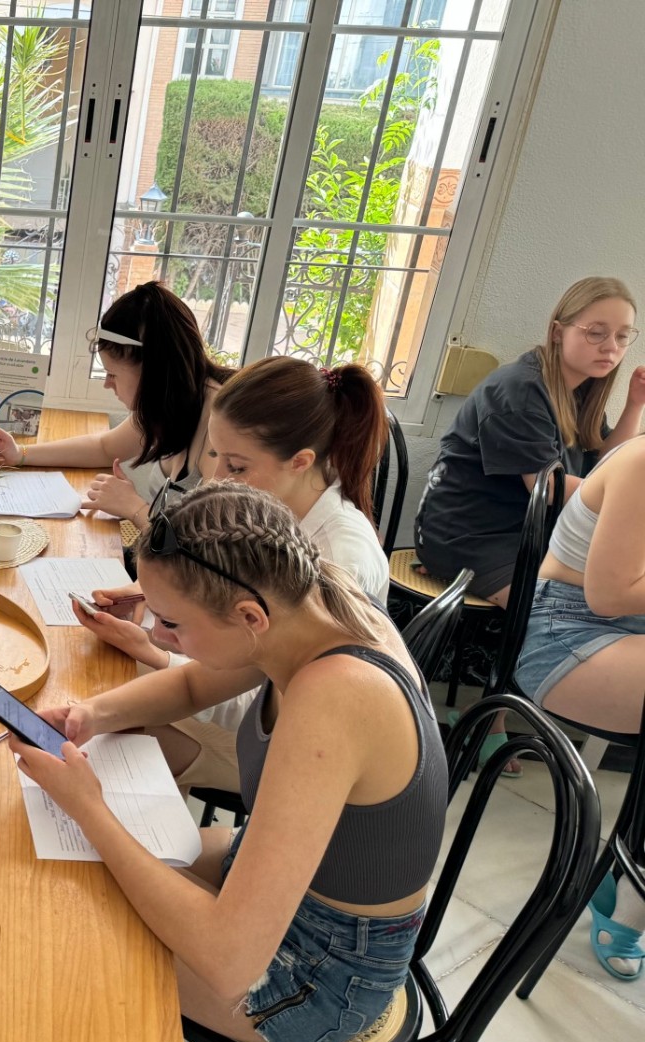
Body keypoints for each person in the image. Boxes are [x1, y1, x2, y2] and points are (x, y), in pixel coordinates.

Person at [0, 482, 447, 1042]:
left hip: (324, 974)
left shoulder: (334, 699)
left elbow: (228, 959)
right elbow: (192, 683)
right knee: (83, 871)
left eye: (172, 623)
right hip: (304, 893)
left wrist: (89, 808)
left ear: (249, 617)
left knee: (68, 924)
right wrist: (93, 714)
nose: (158, 637)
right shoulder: (310, 602)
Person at [73, 357, 390, 792]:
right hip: (223, 684)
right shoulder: (272, 513)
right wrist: (153, 600)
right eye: (214, 456)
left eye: (237, 467)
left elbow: (263, 706)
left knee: (116, 725)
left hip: (284, 751)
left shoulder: (338, 562)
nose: (217, 480)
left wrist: (156, 648)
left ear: (300, 462)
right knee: (99, 689)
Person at [416, 276, 644, 605]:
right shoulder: (520, 390)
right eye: (596, 333)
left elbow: (608, 464)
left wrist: (636, 404)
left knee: (621, 586)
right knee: (590, 605)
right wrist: (626, 498)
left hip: (524, 532)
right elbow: (548, 489)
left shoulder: (578, 389)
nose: (611, 347)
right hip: (470, 536)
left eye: (622, 336)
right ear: (557, 332)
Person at [514, 435, 645, 980]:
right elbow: (607, 595)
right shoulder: (642, 461)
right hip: (568, 631)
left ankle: (629, 870)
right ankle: (632, 891)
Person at [0, 280, 234, 529]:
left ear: (153, 371)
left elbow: (203, 551)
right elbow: (104, 447)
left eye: (112, 374)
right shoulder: (172, 401)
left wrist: (135, 508)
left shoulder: (219, 427)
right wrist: (20, 454)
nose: (107, 384)